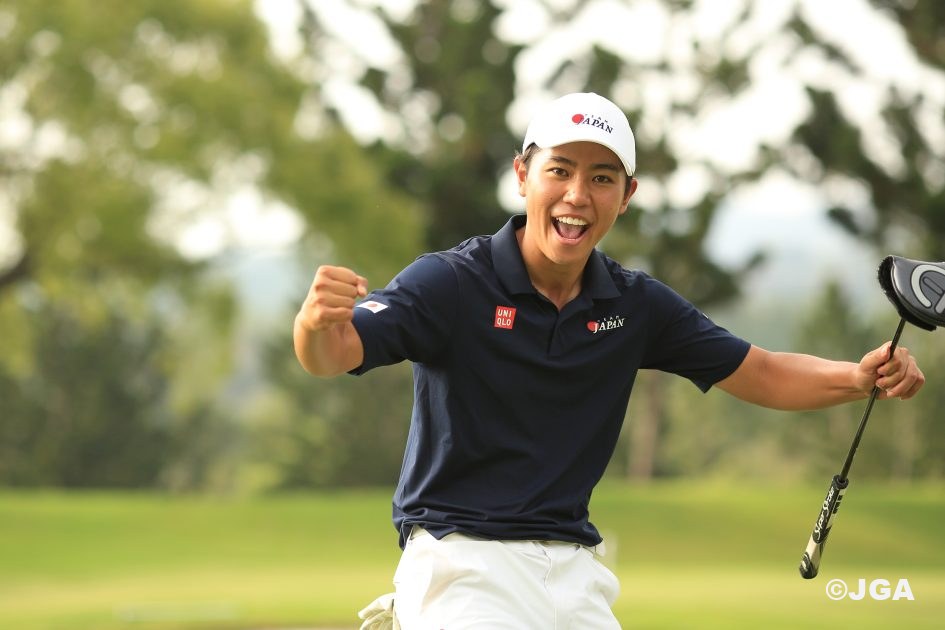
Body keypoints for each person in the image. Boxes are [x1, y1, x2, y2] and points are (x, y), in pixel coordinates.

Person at [293, 92, 925, 629]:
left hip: (574, 571)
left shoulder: (633, 303)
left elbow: (759, 371)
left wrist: (857, 377)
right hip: (461, 562)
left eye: (601, 178)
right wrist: (315, 324)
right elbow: (335, 353)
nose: (577, 195)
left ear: (627, 196)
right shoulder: (452, 282)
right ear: (523, 175)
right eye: (559, 170)